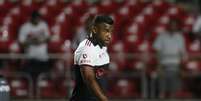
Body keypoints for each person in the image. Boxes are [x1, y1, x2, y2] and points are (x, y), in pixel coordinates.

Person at [70, 15, 114, 101]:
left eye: (111, 32)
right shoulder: (86, 49)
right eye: (105, 31)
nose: (109, 36)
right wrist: (103, 99)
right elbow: (89, 78)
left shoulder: (103, 48)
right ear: (94, 30)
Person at [153, 19, 187, 98]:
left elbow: (182, 53)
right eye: (171, 25)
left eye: (174, 25)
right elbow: (157, 52)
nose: (173, 27)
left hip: (176, 66)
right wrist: (158, 66)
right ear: (168, 25)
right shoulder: (161, 36)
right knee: (161, 91)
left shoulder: (180, 37)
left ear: (177, 27)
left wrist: (182, 68)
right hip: (164, 66)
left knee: (173, 92)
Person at [18, 11, 51, 83]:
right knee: (31, 80)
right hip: (30, 57)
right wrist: (32, 41)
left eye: (38, 18)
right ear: (32, 18)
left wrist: (39, 41)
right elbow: (21, 42)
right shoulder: (25, 27)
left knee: (42, 80)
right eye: (35, 18)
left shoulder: (43, 25)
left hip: (43, 57)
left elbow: (48, 38)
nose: (37, 19)